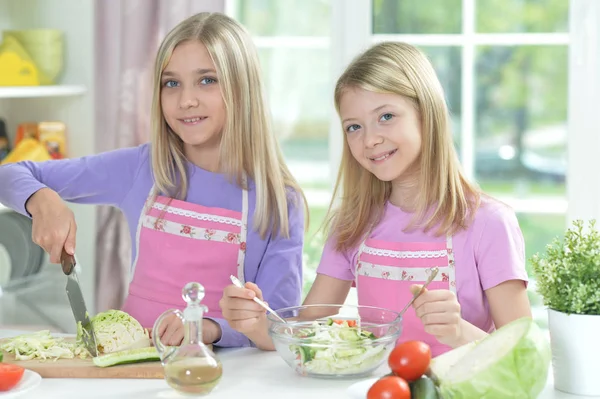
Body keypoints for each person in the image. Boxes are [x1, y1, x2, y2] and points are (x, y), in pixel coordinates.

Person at [0, 12, 306, 349]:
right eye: (171, 83)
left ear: (242, 87)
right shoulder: (142, 168)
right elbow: (10, 174)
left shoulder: (279, 201)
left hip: (224, 375)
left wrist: (210, 328)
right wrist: (42, 200)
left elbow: (280, 327)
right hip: (133, 362)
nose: (186, 100)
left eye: (207, 80)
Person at [219, 41, 532, 356]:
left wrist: (459, 331)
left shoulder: (488, 223)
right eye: (354, 127)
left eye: (386, 117)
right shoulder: (353, 224)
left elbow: (523, 356)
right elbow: (306, 331)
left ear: (426, 113)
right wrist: (255, 324)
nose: (370, 139)